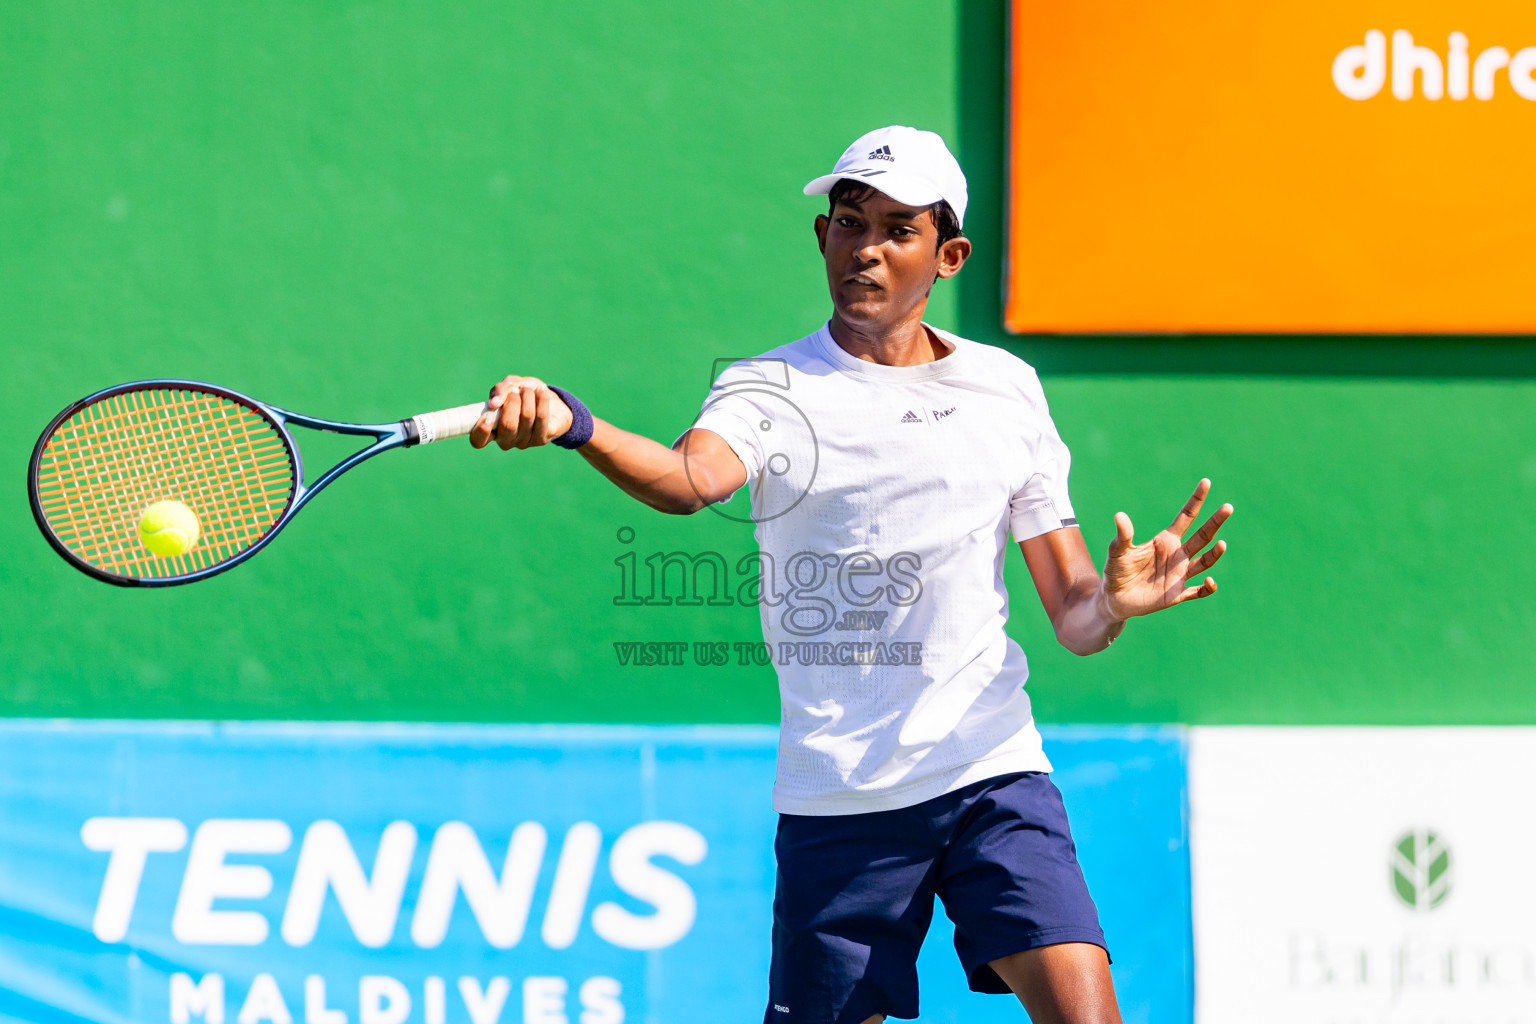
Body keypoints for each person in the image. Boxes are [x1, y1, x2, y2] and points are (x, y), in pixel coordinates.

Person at [468, 125, 1232, 1024]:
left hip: (992, 772)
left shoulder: (1009, 389)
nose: (864, 246)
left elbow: (1071, 613)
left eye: (897, 228)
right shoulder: (767, 389)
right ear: (821, 236)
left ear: (948, 255)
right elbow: (688, 480)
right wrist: (573, 424)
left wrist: (1114, 601)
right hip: (842, 803)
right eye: (847, 220)